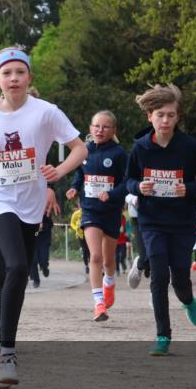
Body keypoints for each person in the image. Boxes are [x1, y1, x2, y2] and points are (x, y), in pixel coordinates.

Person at [0, 46, 86, 388]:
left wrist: (58, 172)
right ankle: (7, 354)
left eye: (20, 72)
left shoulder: (46, 113)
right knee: (17, 268)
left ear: (29, 77)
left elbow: (80, 148)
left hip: (30, 202)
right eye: (7, 73)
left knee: (8, 274)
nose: (13, 78)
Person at [125, 84, 196, 357]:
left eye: (171, 115)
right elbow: (128, 180)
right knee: (159, 276)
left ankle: (188, 300)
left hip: (182, 222)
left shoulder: (189, 146)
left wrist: (190, 189)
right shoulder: (140, 147)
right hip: (152, 221)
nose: (165, 120)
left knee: (180, 280)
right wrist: (138, 187)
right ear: (150, 116)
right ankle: (163, 334)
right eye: (160, 114)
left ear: (178, 117)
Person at [66, 110, 129, 322]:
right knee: (95, 257)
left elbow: (127, 183)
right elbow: (79, 173)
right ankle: (98, 303)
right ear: (90, 129)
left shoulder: (119, 154)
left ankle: (109, 282)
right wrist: (74, 188)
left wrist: (111, 194)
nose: (100, 130)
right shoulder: (83, 151)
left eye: (105, 127)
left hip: (111, 211)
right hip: (90, 210)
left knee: (109, 260)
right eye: (96, 126)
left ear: (113, 130)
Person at [125, 193, 149, 288]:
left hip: (160, 216)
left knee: (157, 256)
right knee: (146, 258)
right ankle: (140, 264)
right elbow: (126, 187)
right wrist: (134, 199)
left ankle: (156, 297)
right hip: (137, 216)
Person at [70, 202, 89, 275]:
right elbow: (72, 223)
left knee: (89, 251)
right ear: (78, 205)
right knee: (84, 251)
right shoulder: (76, 213)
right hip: (80, 235)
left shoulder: (88, 212)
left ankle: (93, 266)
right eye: (80, 204)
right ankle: (86, 265)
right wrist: (76, 228)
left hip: (89, 234)